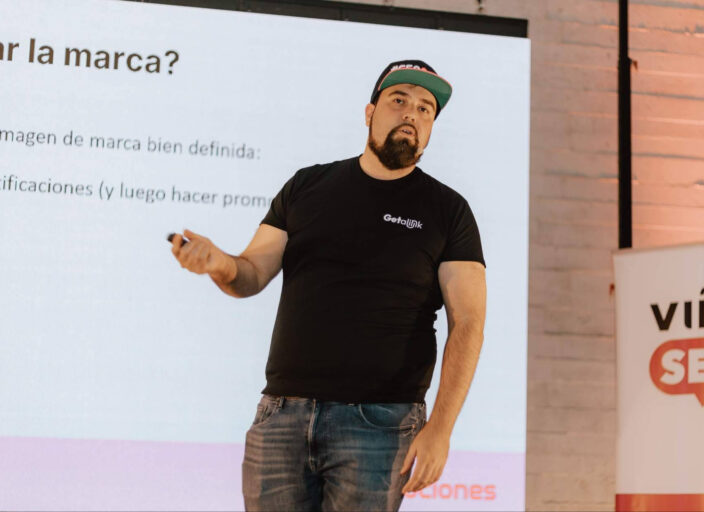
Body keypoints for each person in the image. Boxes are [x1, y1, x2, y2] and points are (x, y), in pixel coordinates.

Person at [170, 59, 487, 511]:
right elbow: (250, 274)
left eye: (425, 109)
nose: (411, 114)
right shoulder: (306, 186)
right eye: (399, 100)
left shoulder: (448, 210)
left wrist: (441, 428)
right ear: (369, 112)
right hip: (281, 416)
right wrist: (218, 263)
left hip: (381, 422)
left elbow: (468, 322)